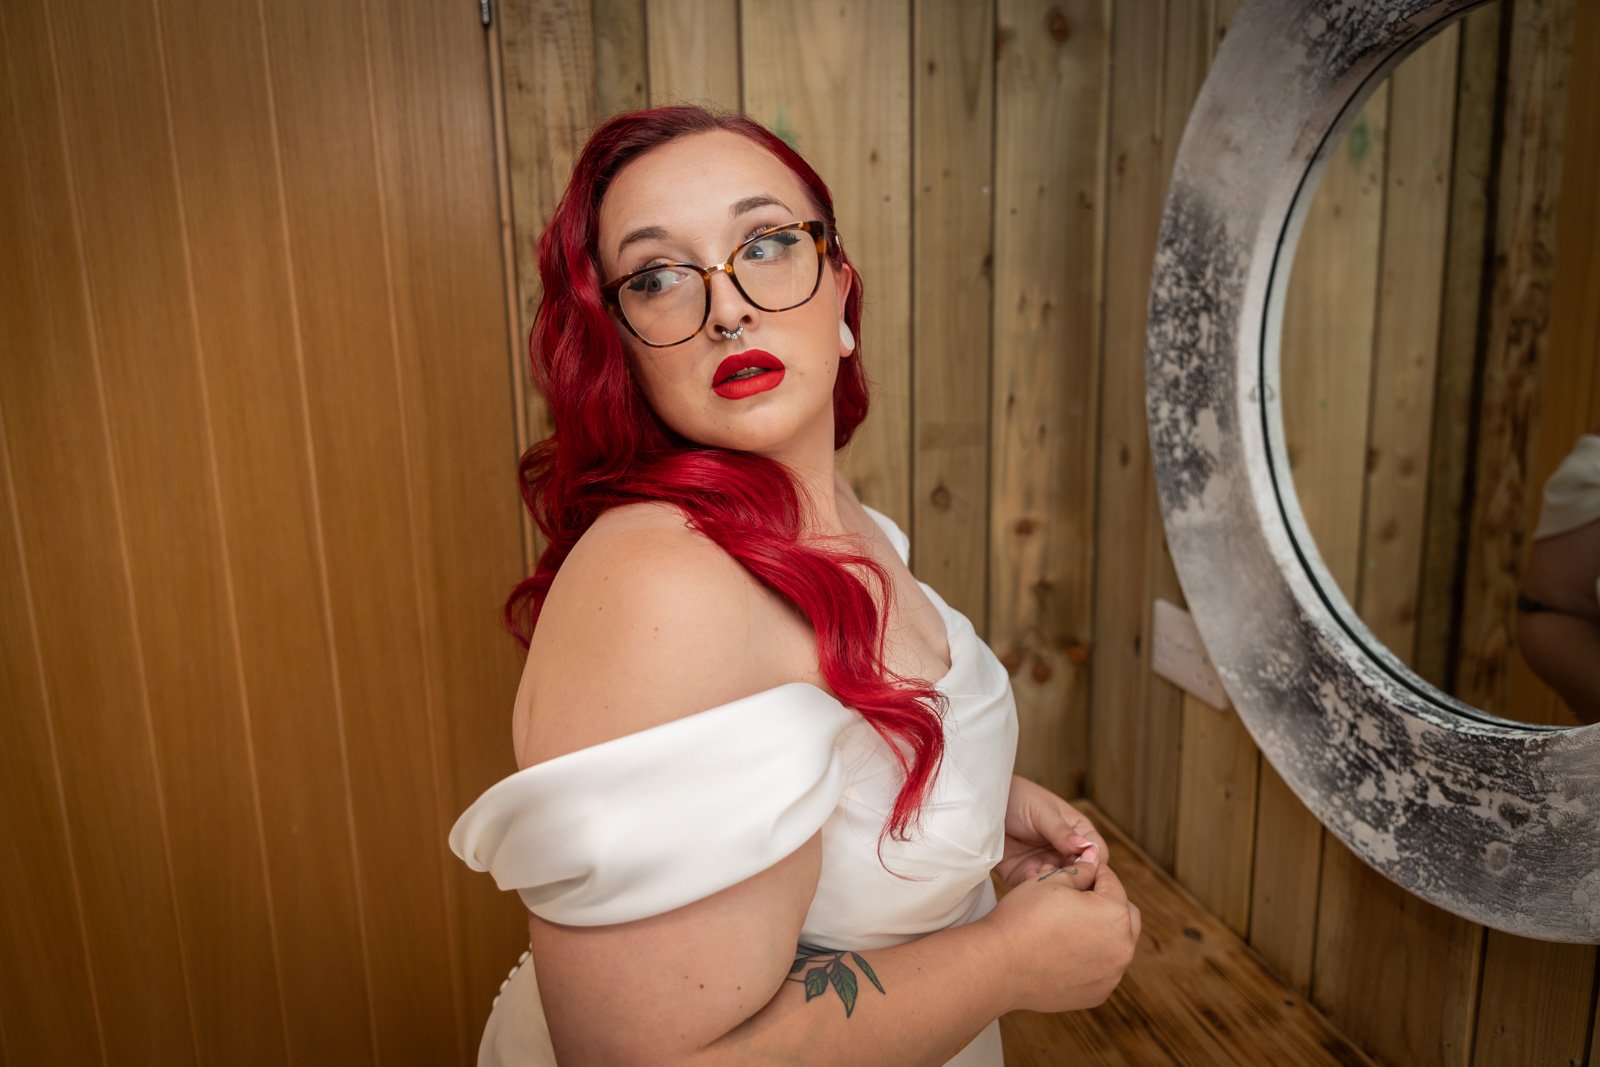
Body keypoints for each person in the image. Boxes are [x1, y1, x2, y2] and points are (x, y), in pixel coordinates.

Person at [449, 105, 1141, 1066]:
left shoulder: (850, 522)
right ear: (621, 342)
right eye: (657, 276)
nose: (726, 307)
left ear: (841, 293)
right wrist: (1006, 966)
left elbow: (818, 752)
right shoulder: (662, 579)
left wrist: (971, 801)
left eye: (767, 243)